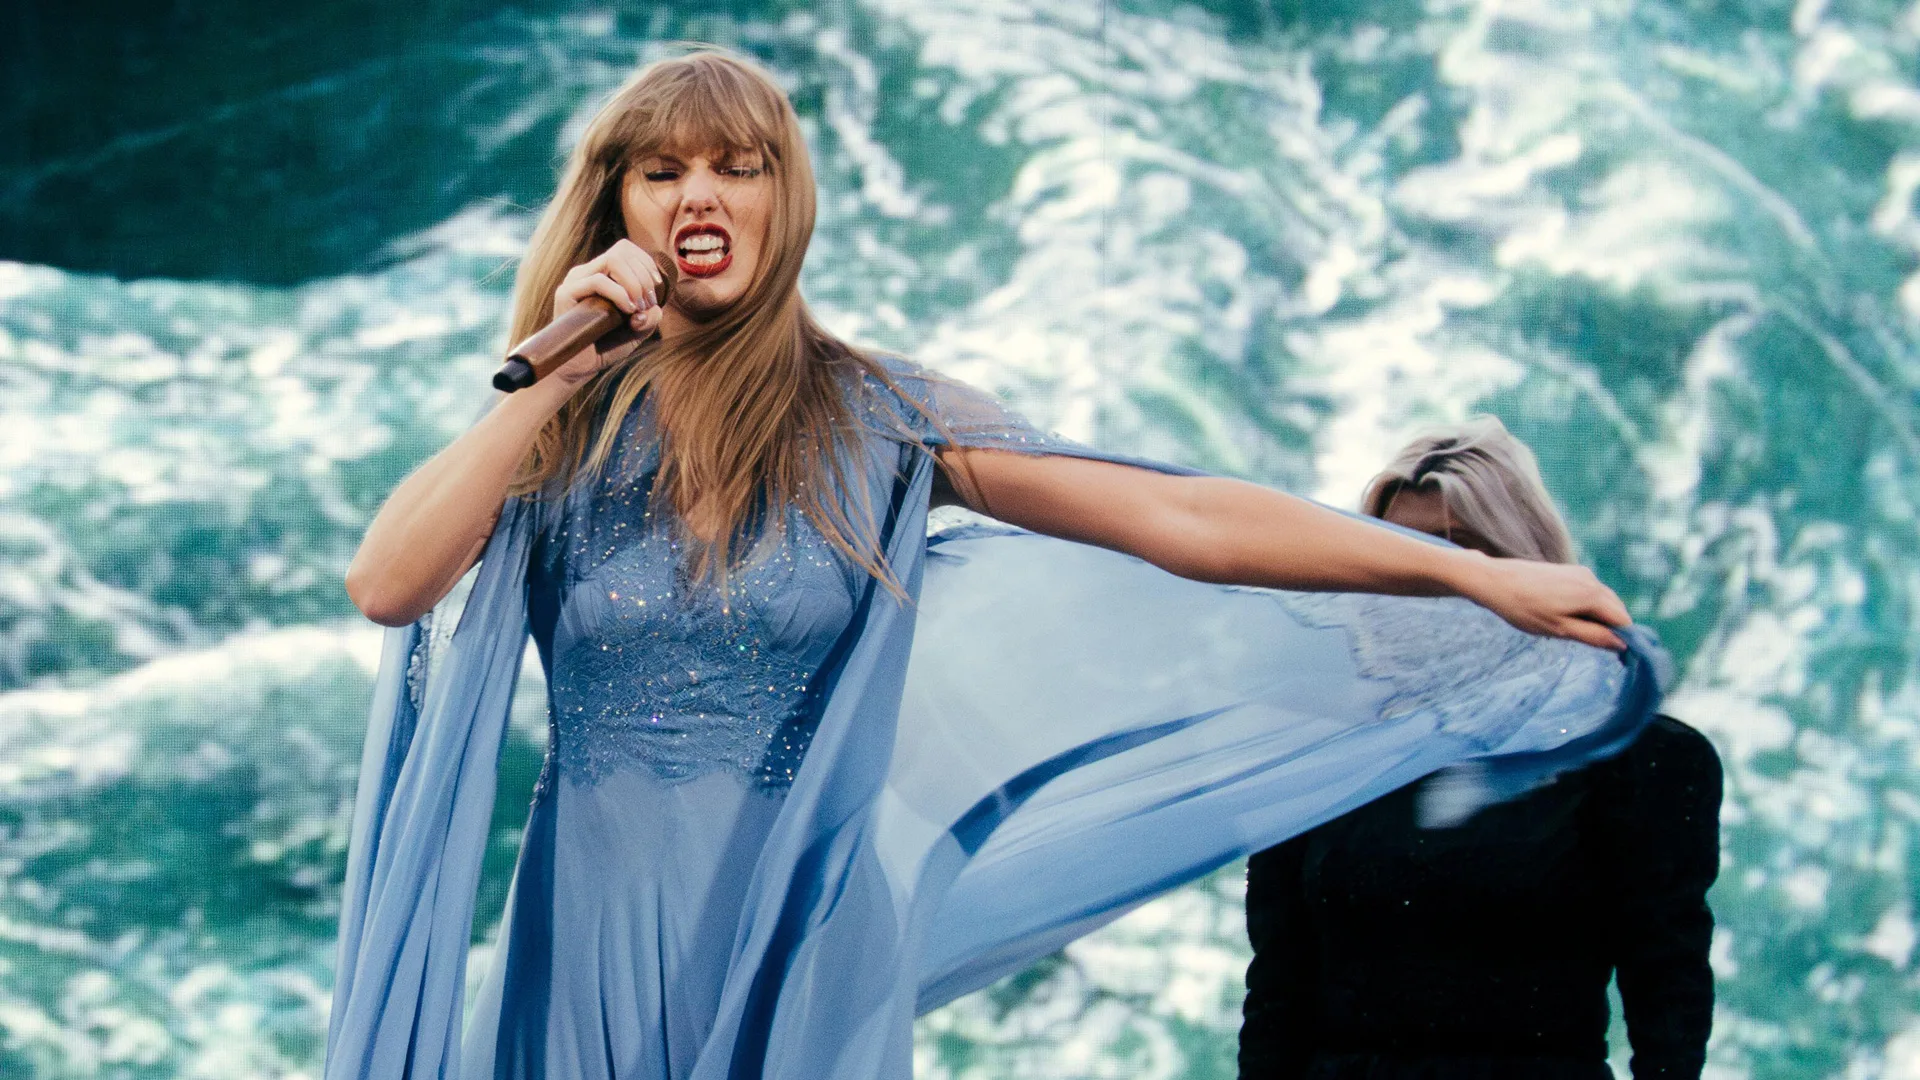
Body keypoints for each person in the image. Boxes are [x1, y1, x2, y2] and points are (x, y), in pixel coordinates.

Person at [326, 49, 1667, 1080]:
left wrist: (1464, 577)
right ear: (615, 203)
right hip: (587, 926)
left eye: (737, 165)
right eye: (663, 171)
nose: (701, 197)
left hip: (804, 932)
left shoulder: (884, 415)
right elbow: (390, 584)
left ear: (782, 197)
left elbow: (1181, 521)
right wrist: (550, 373)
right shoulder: (561, 425)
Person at [1239, 419, 1722, 1080]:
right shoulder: (1315, 754)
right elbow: (1277, 996)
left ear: (1525, 561)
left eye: (1461, 551)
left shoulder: (1636, 757)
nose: (1430, 578)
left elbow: (1669, 991)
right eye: (1403, 552)